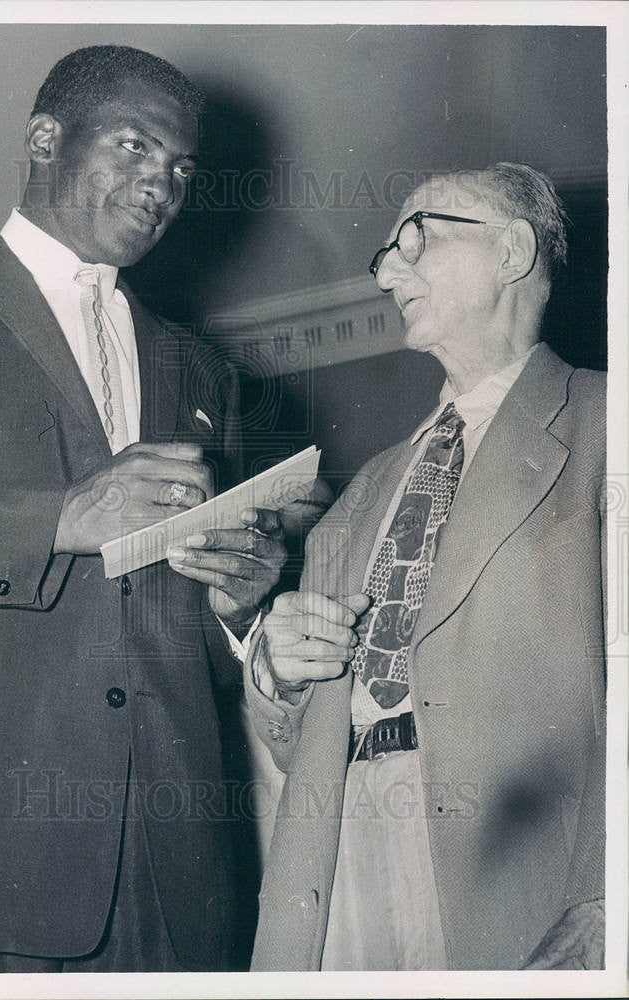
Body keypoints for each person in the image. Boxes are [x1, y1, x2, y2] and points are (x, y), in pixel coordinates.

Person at [0, 45, 288, 973]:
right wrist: (59, 517)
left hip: (170, 870)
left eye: (181, 170)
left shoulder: (200, 367)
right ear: (45, 139)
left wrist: (237, 604)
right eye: (135, 148)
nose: (163, 187)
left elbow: (178, 622)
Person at [246, 163, 606, 970]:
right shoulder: (362, 490)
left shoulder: (604, 422)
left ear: (513, 251)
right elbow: (292, 742)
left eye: (418, 238)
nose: (389, 272)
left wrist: (609, 897)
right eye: (386, 256)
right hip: (338, 860)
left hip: (515, 863)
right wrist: (278, 672)